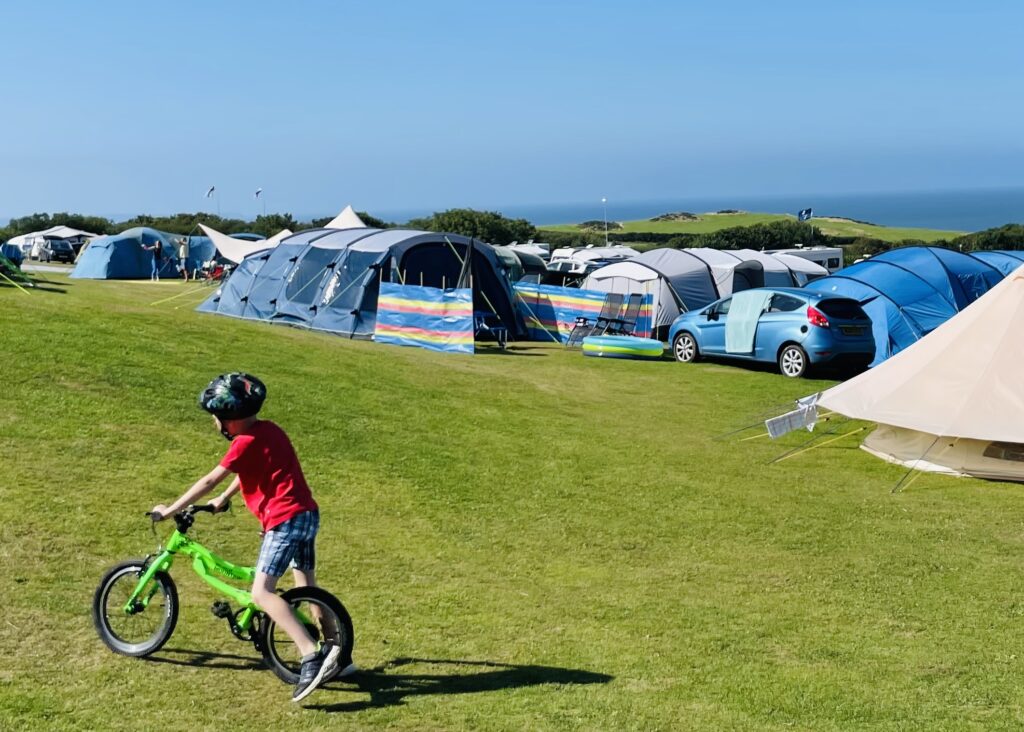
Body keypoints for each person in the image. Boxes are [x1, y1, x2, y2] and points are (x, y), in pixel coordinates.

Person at [149, 373, 355, 701]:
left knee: (261, 593)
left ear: (229, 420)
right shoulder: (269, 430)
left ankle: (309, 655)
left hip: (285, 519)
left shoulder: (242, 442)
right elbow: (250, 470)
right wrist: (226, 499)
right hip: (305, 515)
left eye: (215, 418)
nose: (215, 424)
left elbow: (208, 481)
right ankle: (336, 652)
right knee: (306, 588)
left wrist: (170, 509)